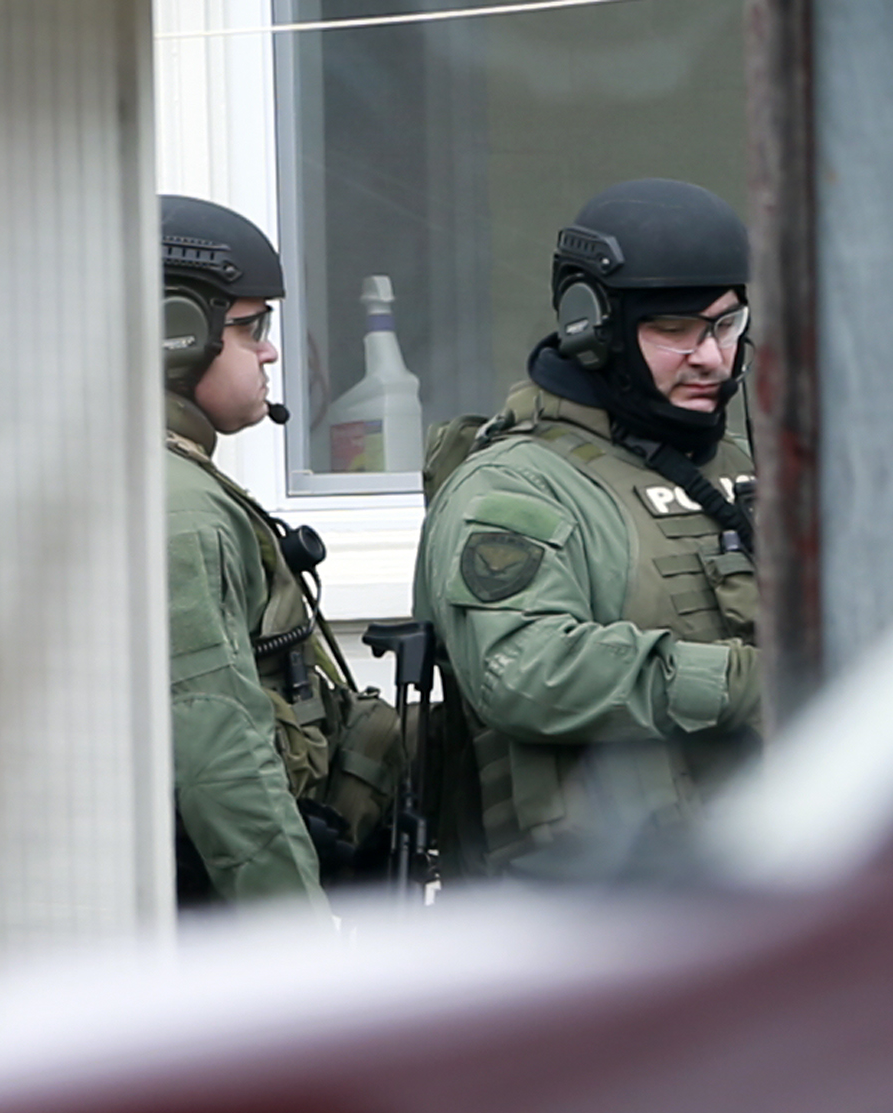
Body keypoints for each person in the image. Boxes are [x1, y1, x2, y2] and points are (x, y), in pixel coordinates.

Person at [414, 178, 761, 881]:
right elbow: (521, 669)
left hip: (743, 877)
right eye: (675, 330)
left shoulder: (736, 466)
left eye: (726, 325)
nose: (713, 358)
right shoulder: (513, 485)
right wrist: (747, 680)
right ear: (593, 330)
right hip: (586, 907)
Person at [160, 194, 395, 910]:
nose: (269, 350)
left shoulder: (170, 476)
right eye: (251, 327)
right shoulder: (179, 509)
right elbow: (221, 754)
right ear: (178, 334)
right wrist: (297, 934)